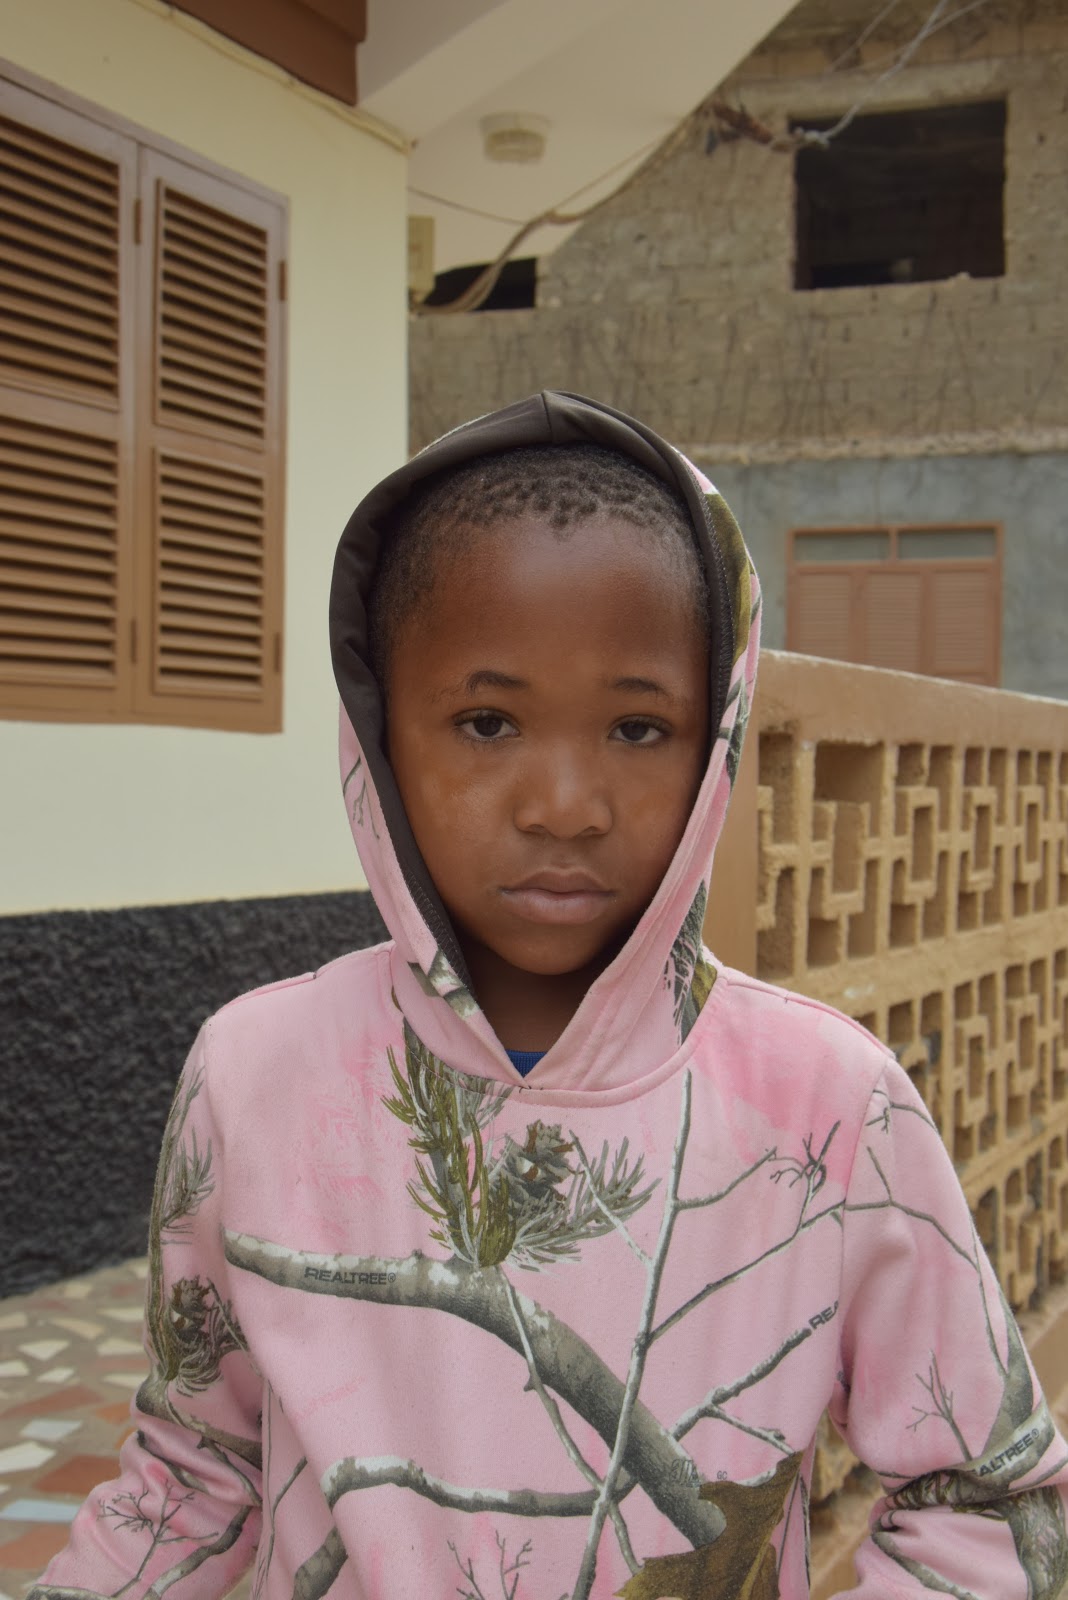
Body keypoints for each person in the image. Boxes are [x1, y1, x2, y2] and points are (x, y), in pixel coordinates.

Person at [30, 392, 1068, 1600]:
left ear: (716, 736)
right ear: (379, 733)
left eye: (637, 726)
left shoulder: (831, 1104)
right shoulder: (255, 1073)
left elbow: (988, 1497)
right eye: (487, 721)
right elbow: (192, 1469)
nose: (565, 803)